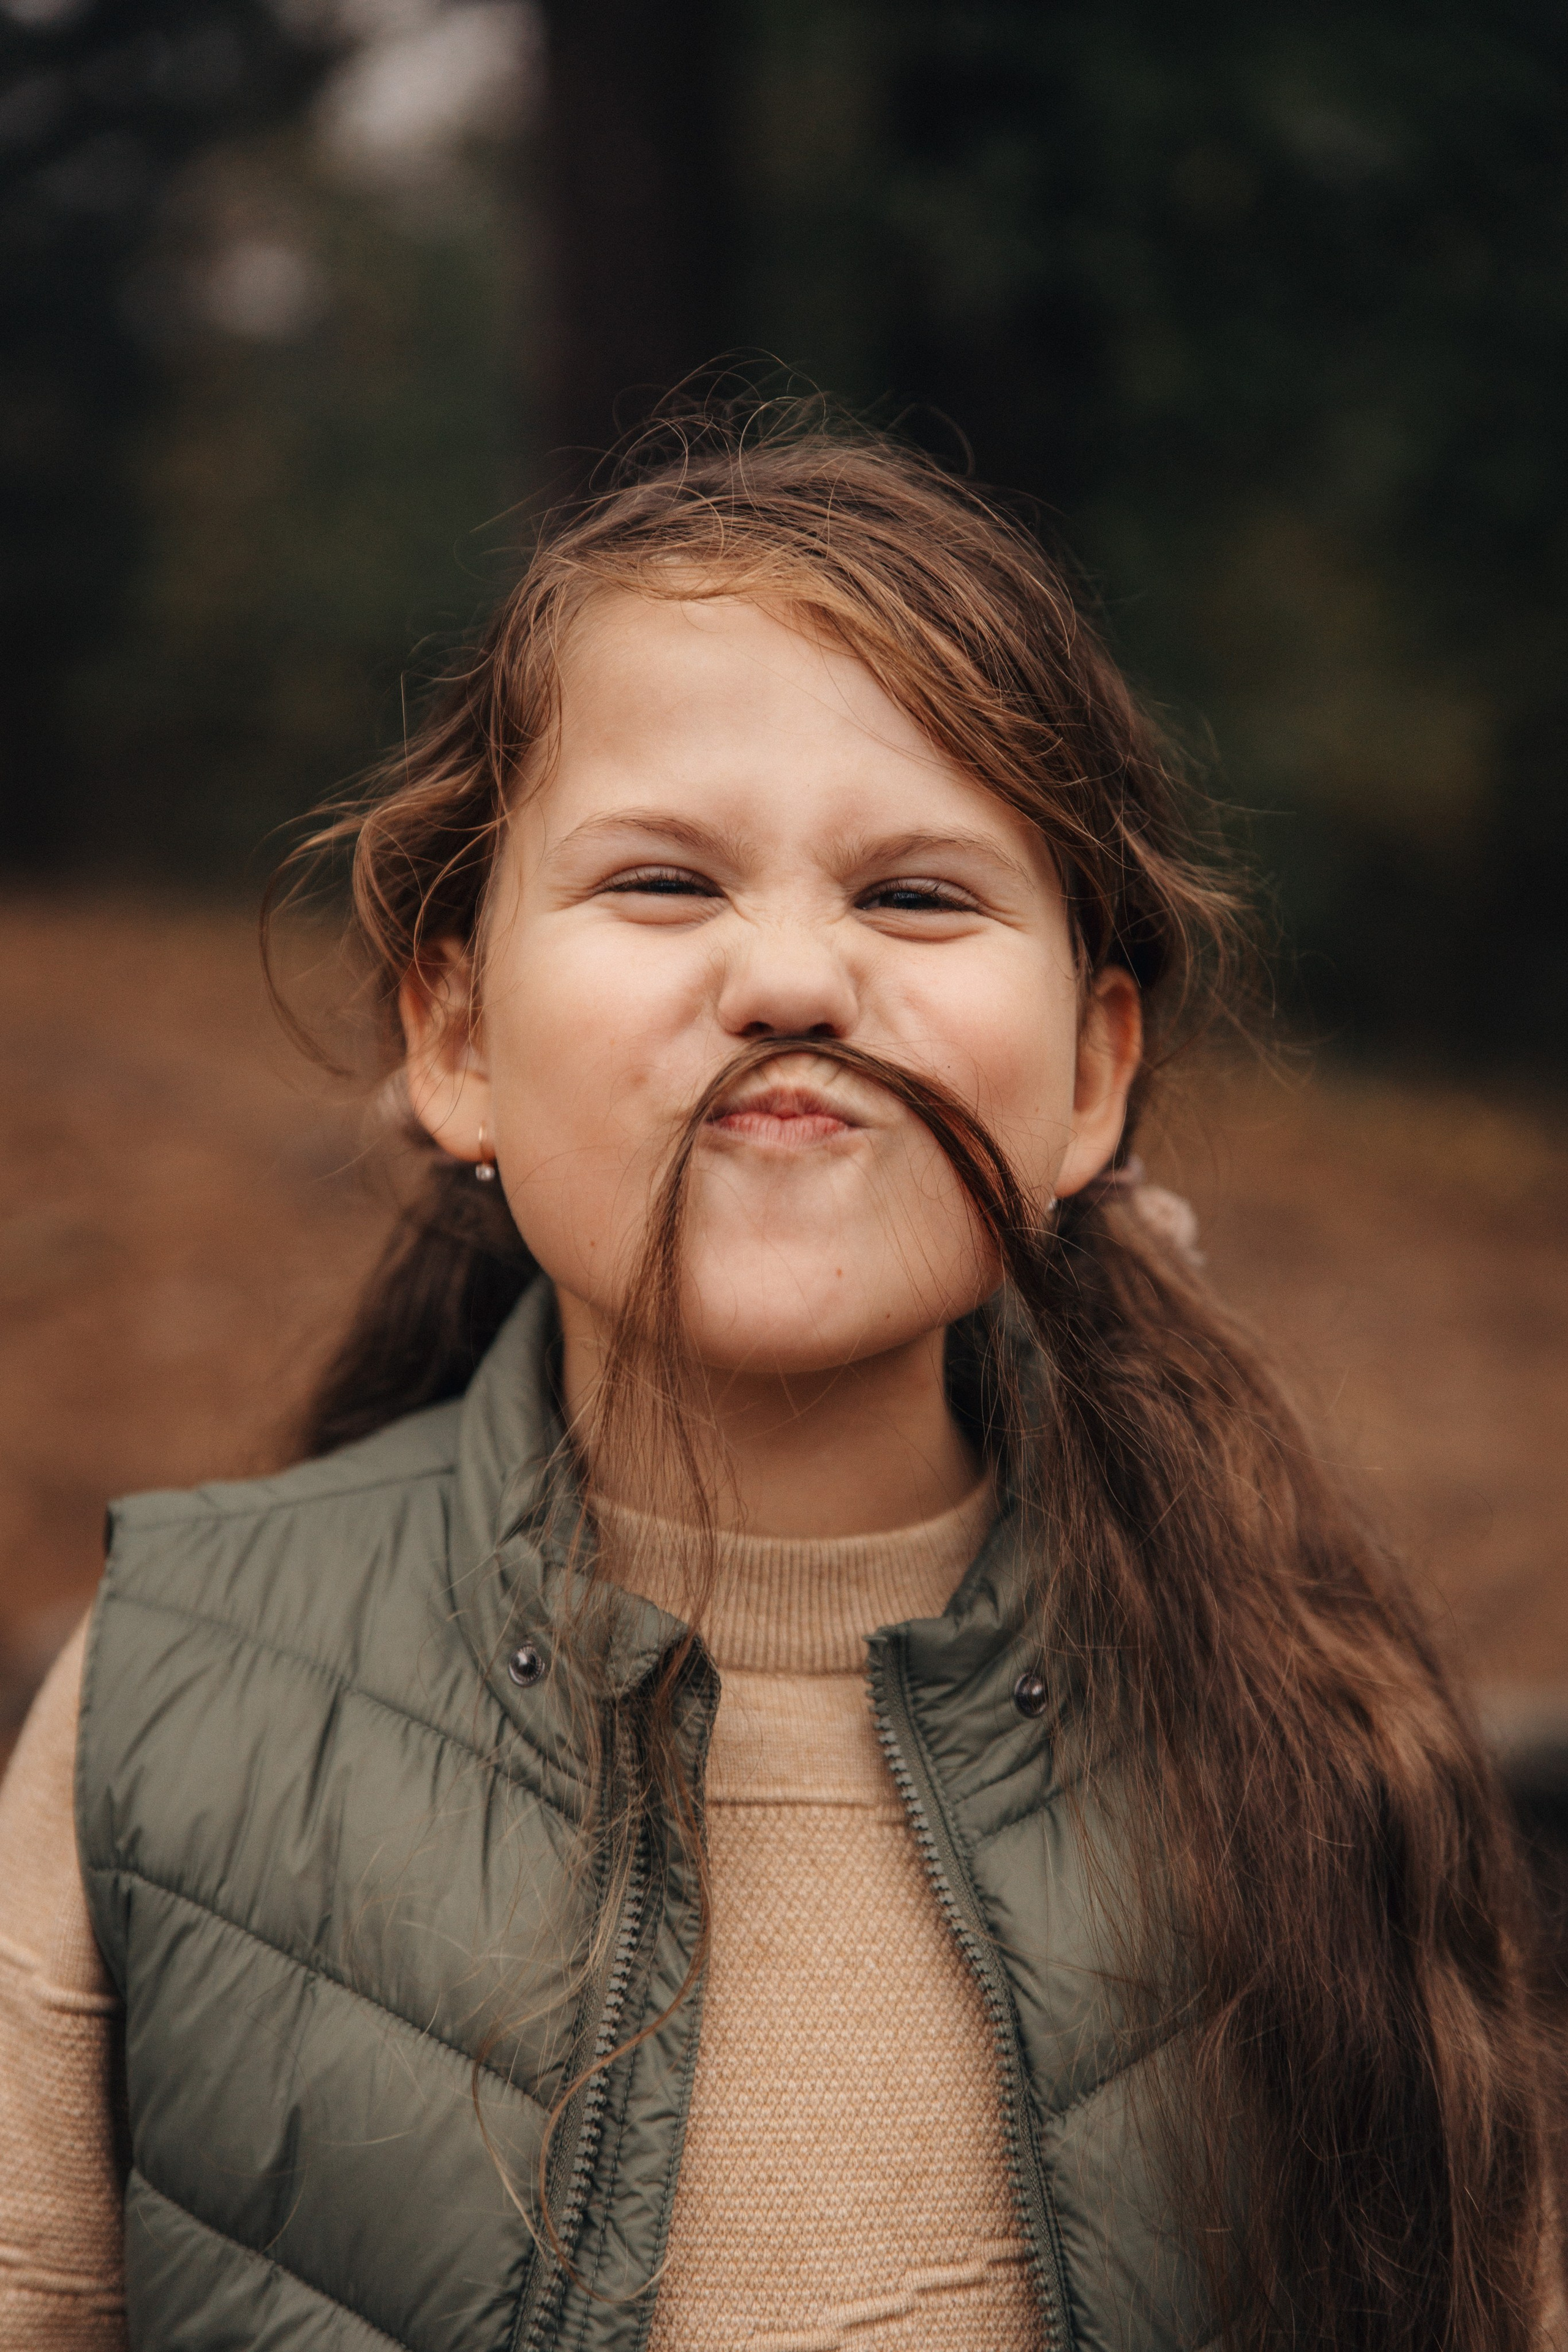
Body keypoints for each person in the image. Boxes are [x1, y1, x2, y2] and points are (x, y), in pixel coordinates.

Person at [0, 407, 1557, 2352]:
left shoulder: (1323, 1750)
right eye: (664, 885)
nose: (797, 981)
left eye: (915, 894)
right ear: (455, 1030)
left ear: (1090, 1074)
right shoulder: (173, 1697)